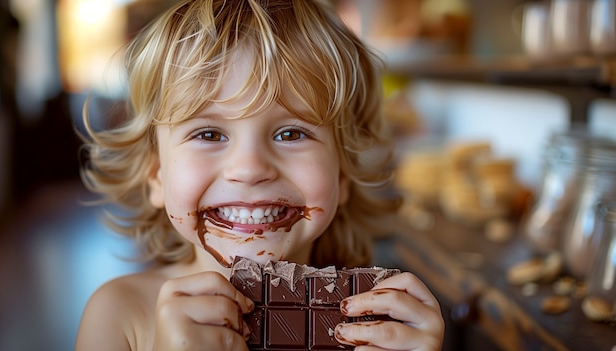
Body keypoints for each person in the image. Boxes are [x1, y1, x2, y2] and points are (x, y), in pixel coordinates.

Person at [75, 0, 444, 350]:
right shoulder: (121, 316)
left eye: (291, 133)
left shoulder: (375, 322)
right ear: (156, 174)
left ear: (343, 173)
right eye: (209, 134)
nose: (250, 169)